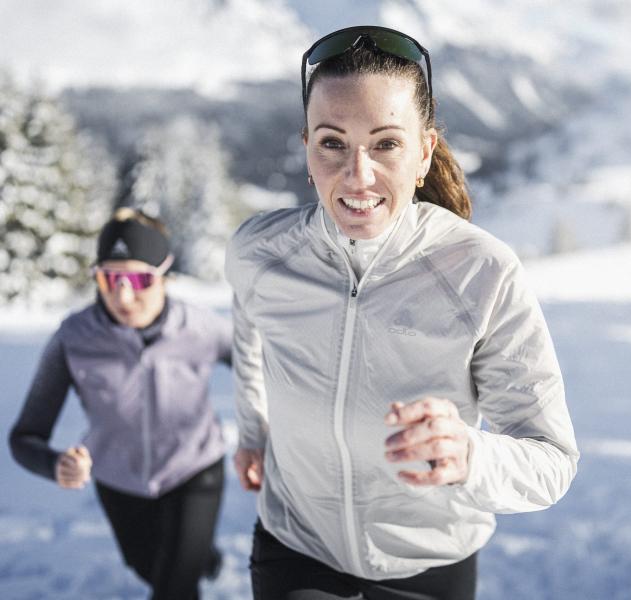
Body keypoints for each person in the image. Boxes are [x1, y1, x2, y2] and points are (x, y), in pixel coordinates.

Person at [225, 25, 579, 600]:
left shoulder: (481, 272)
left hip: (428, 564)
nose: (357, 175)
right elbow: (248, 333)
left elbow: (551, 462)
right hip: (296, 547)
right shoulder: (260, 253)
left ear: (425, 151)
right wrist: (252, 431)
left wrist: (470, 454)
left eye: (386, 144)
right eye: (332, 142)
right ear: (307, 148)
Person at [8, 208, 232, 600]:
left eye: (139, 279)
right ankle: (203, 558)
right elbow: (25, 436)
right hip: (119, 480)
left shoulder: (201, 326)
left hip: (194, 471)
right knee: (148, 568)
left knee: (174, 590)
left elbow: (265, 369)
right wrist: (55, 464)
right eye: (109, 278)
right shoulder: (74, 337)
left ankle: (193, 559)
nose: (122, 295)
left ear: (165, 275)